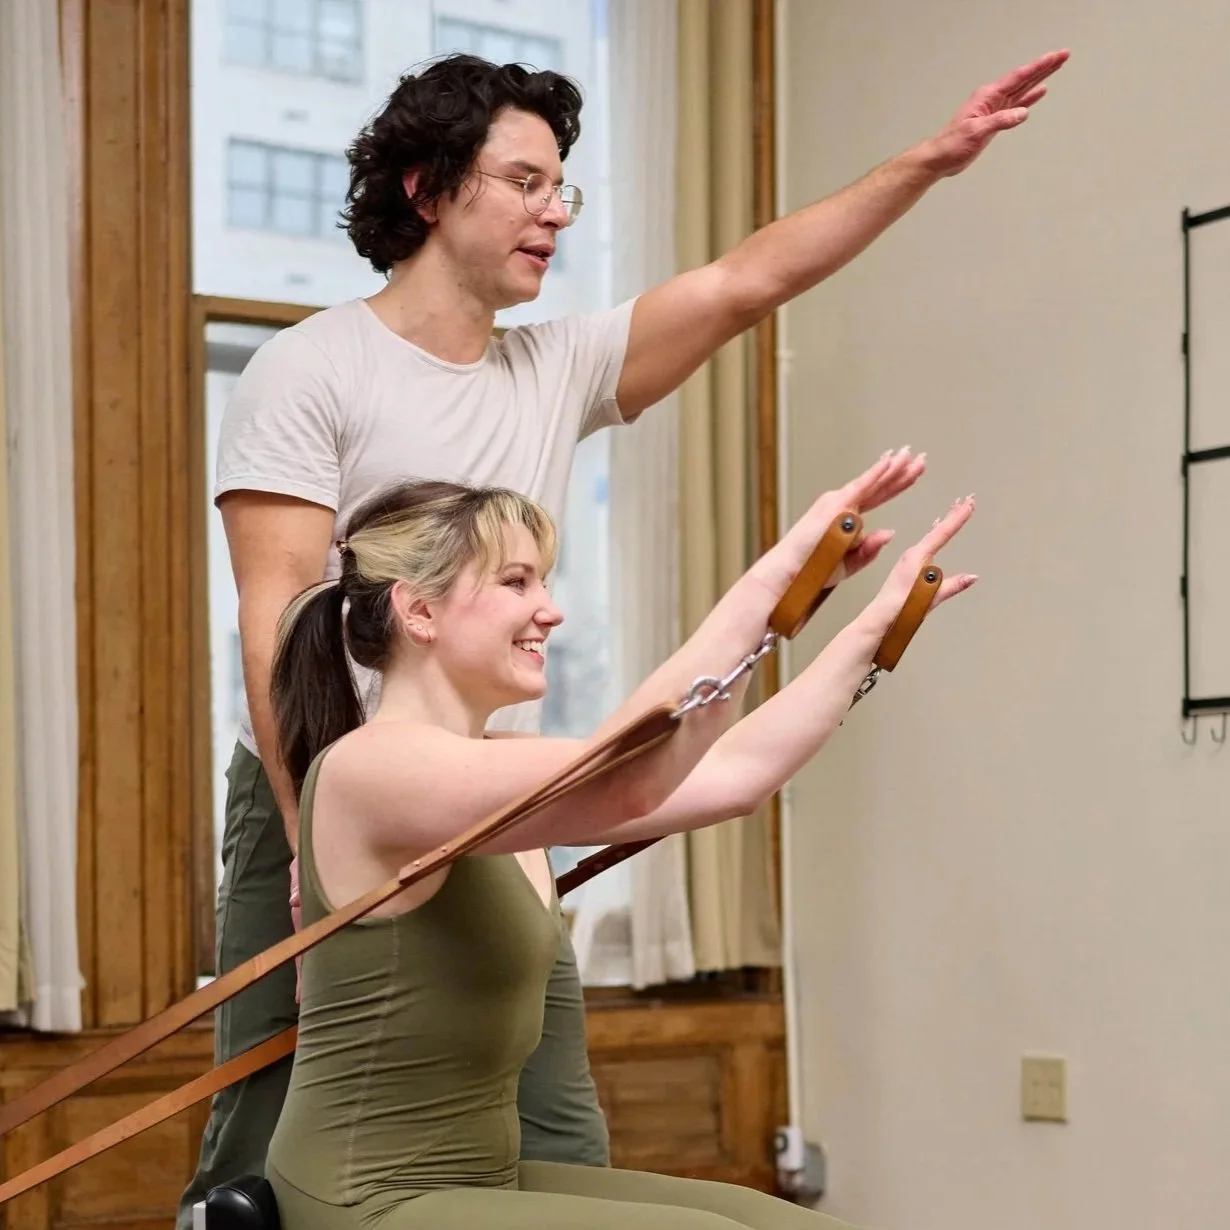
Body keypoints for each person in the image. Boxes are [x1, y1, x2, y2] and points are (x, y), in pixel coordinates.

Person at [183, 46, 1065, 1226]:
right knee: (263, 1149)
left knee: (552, 1129)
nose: (556, 211)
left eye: (567, 188)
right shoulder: (309, 369)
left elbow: (744, 282)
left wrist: (931, 161)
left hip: (511, 795)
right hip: (344, 793)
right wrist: (307, 830)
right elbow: (277, 617)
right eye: (526, 181)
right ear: (428, 188)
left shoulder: (558, 364)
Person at [259, 455, 976, 1230]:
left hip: (480, 1181)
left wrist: (873, 626)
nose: (550, 611)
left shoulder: (494, 770)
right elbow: (630, 776)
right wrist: (778, 573)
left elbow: (733, 775)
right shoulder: (375, 768)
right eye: (516, 582)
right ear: (419, 611)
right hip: (366, 1197)